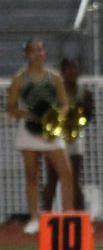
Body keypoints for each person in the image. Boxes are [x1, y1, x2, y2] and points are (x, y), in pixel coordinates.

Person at [6, 38, 74, 233]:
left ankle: (69, 216)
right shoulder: (20, 78)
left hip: (51, 129)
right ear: (27, 54)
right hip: (29, 130)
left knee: (66, 172)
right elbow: (10, 107)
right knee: (32, 174)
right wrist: (28, 114)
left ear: (45, 53)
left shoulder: (54, 77)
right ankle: (35, 218)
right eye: (33, 50)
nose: (38, 53)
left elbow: (64, 103)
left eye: (41, 49)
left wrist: (54, 118)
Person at [41, 56, 91, 212]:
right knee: (53, 179)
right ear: (62, 72)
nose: (72, 71)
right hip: (56, 140)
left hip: (75, 139)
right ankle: (45, 215)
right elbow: (47, 114)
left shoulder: (85, 94)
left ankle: (79, 217)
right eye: (69, 68)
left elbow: (88, 115)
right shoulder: (53, 93)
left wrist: (74, 130)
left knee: (74, 180)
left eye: (74, 68)